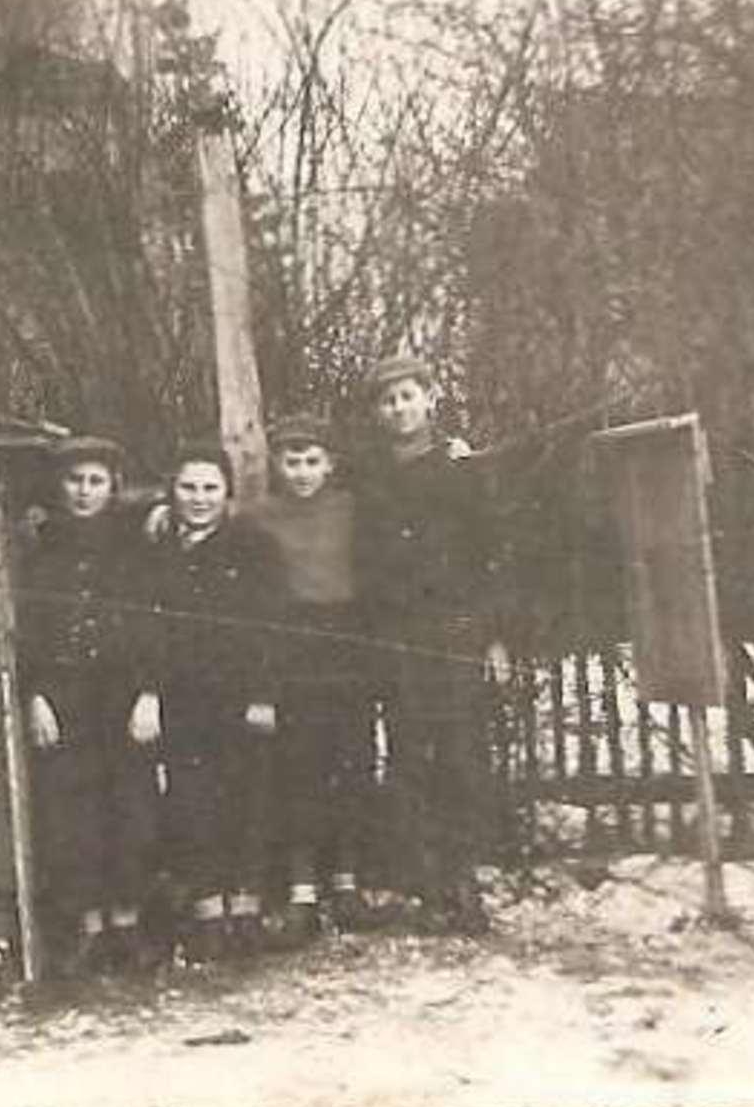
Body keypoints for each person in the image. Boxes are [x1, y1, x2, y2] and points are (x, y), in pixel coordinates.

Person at [352, 353, 510, 934]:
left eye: (407, 397)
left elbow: (491, 555)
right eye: (388, 401)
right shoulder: (367, 475)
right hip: (396, 634)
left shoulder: (461, 468)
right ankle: (422, 884)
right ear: (378, 412)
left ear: (430, 398)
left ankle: (462, 881)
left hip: (455, 630)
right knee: (409, 756)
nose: (399, 409)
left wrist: (495, 637)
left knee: (461, 754)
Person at [133, 445, 285, 962]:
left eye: (210, 488)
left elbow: (271, 628)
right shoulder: (156, 552)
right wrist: (151, 693)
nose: (199, 499)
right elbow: (148, 631)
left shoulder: (254, 548)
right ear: (171, 492)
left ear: (227, 493)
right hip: (183, 698)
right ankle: (208, 913)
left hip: (241, 697)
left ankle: (245, 909)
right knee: (193, 802)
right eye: (188, 488)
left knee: (248, 800)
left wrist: (264, 695)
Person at [15, 435, 158, 974]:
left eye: (96, 481)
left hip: (123, 693)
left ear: (113, 487)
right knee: (72, 813)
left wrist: (149, 693)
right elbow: (25, 630)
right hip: (64, 695)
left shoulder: (136, 549)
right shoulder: (39, 550)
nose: (84, 491)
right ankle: (90, 927)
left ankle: (128, 923)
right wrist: (35, 696)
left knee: (132, 809)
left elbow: (155, 627)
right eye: (75, 480)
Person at [244, 413, 377, 939]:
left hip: (346, 644)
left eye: (311, 461)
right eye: (291, 461)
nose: (301, 472)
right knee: (299, 770)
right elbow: (209, 524)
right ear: (276, 465)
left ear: (330, 464)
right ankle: (302, 891)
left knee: (350, 763)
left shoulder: (352, 509)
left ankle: (346, 883)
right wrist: (161, 510)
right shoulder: (259, 516)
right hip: (291, 646)